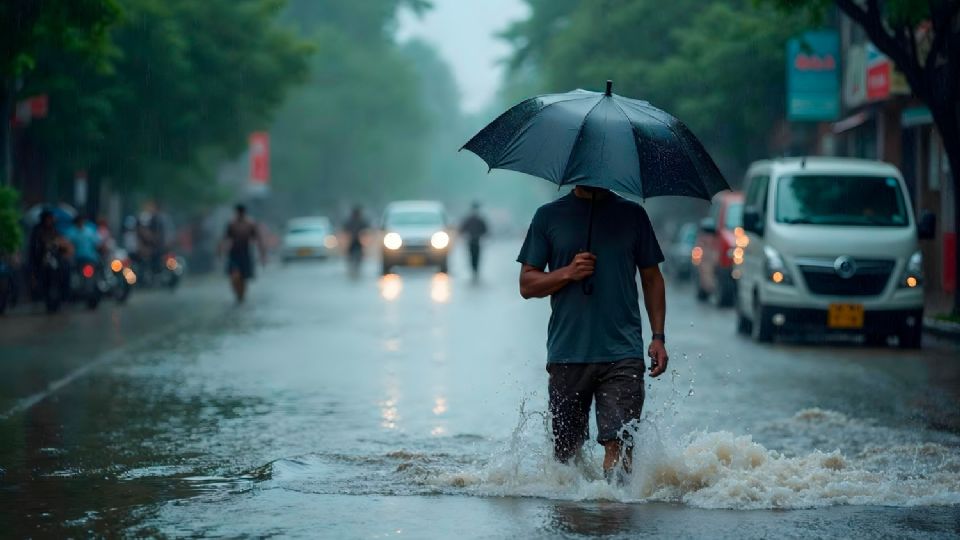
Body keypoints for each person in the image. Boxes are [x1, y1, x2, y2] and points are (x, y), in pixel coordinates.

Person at [517, 186, 669, 481]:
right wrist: (568, 273)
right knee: (566, 456)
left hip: (622, 353)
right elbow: (526, 284)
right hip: (567, 352)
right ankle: (576, 518)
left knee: (620, 444)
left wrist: (658, 336)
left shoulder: (633, 215)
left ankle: (613, 516)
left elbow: (652, 278)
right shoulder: (548, 216)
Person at [220, 204, 265, 303]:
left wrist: (263, 255)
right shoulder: (231, 224)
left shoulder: (250, 223)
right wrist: (221, 251)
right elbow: (225, 239)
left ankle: (241, 296)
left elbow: (258, 239)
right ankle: (237, 293)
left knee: (244, 278)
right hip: (234, 253)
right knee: (234, 276)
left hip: (245, 253)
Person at [459, 201, 489, 280]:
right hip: (471, 241)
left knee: (476, 256)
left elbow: (485, 230)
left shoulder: (479, 220)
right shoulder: (470, 220)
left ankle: (475, 270)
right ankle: (474, 270)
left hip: (477, 241)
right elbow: (462, 229)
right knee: (472, 256)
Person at [342, 205, 369, 276]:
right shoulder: (352, 221)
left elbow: (366, 231)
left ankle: (355, 268)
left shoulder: (360, 221)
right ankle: (353, 268)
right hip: (352, 242)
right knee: (351, 256)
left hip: (357, 242)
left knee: (357, 256)